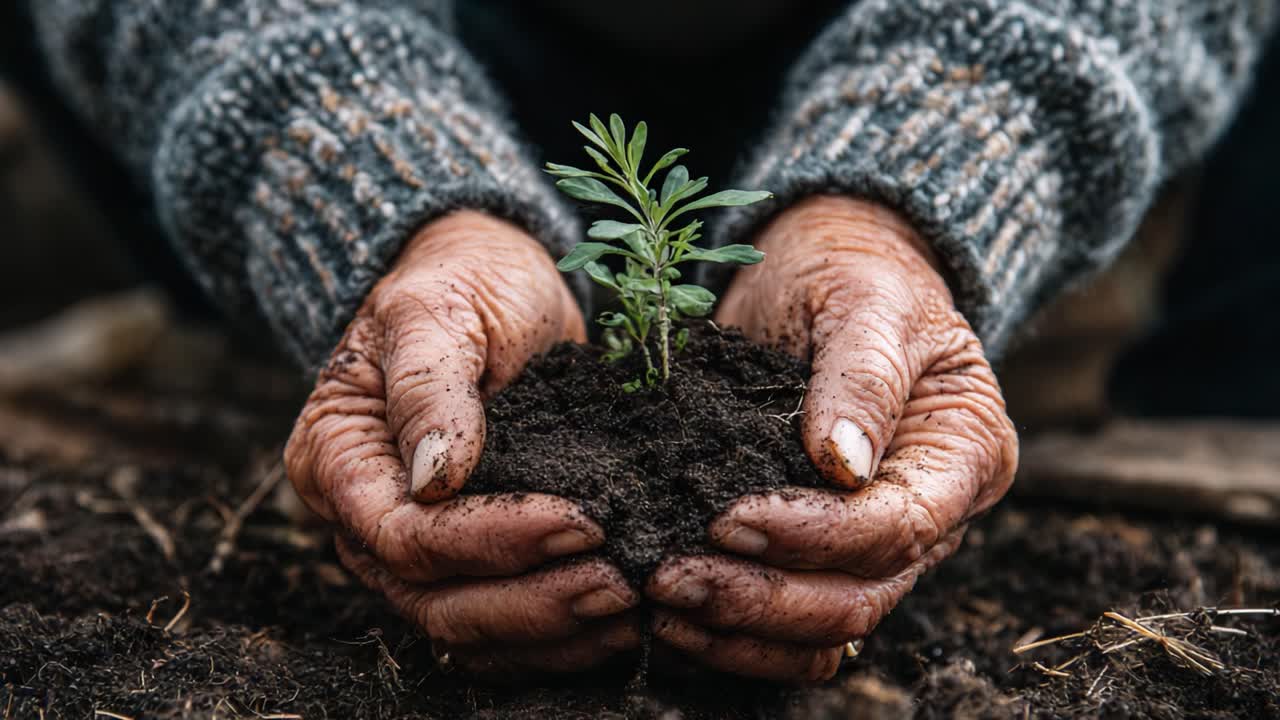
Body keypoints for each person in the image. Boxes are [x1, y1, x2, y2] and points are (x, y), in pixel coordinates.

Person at [11, 0, 1275, 683]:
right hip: (454, 55)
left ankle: (1212, 440)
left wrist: (904, 190)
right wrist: (386, 191)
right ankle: (343, 326)